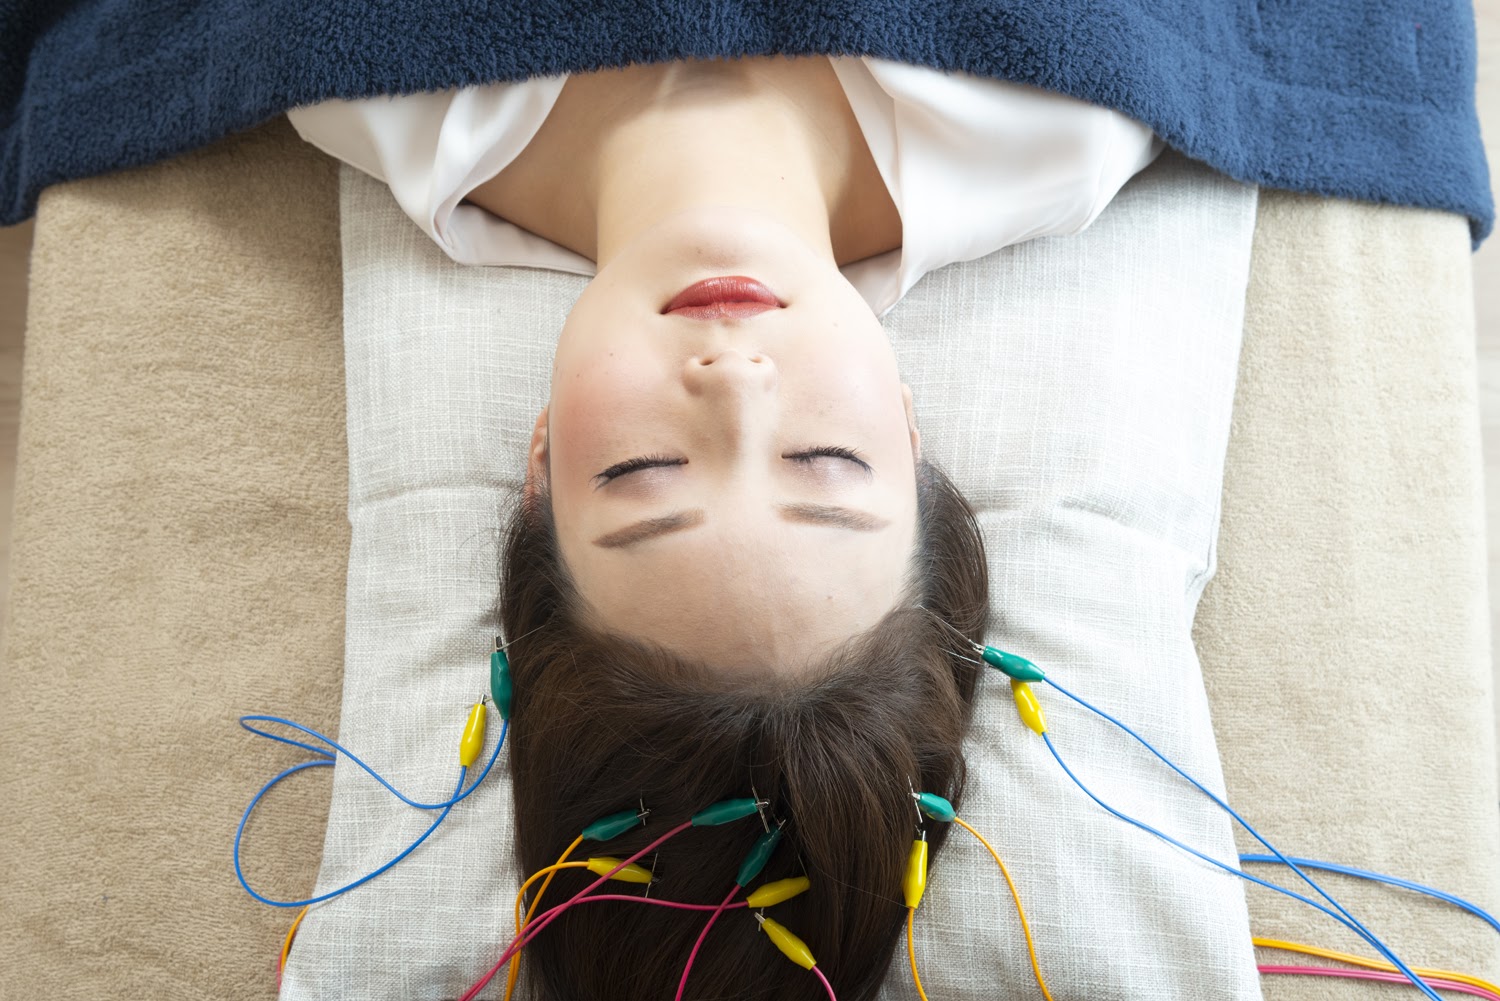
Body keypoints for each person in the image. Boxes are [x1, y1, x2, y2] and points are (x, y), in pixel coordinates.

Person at [287, 54, 1162, 1000]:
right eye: (826, 460)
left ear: (539, 470)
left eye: (644, 473)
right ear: (908, 435)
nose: (738, 386)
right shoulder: (1078, 109)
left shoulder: (360, 82)